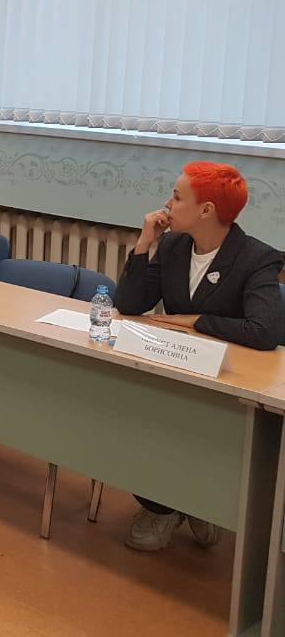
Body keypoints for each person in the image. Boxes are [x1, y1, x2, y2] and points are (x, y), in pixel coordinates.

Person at [116, 161, 285, 552]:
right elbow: (130, 304)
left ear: (206, 210)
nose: (168, 204)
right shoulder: (173, 246)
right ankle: (163, 506)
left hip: (229, 384)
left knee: (196, 432)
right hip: (176, 371)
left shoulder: (257, 258)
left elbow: (263, 332)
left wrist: (195, 320)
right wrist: (144, 243)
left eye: (177, 197)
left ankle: (198, 501)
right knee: (140, 414)